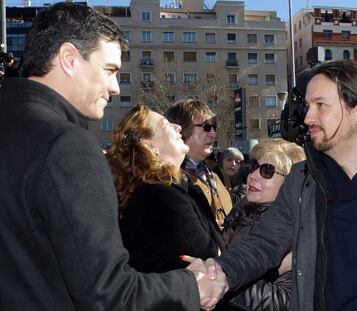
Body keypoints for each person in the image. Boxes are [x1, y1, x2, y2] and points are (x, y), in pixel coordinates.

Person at [0, 3, 227, 310]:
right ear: (69, 58)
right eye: (109, 70)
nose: (116, 88)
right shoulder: (68, 146)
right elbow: (107, 294)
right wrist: (192, 285)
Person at [194, 60, 357, 311]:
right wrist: (221, 272)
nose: (308, 117)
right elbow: (264, 243)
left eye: (321, 105)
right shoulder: (302, 178)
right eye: (309, 106)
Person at [107, 104, 225, 273]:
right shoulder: (161, 197)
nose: (177, 127)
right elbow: (210, 257)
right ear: (150, 148)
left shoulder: (160, 190)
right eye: (166, 125)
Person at [222, 139, 305, 311]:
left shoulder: (296, 230)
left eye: (267, 171)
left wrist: (224, 281)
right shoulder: (240, 210)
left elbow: (284, 302)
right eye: (253, 166)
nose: (252, 175)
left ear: (290, 184)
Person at [165, 99, 233, 225]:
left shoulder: (215, 175)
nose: (213, 133)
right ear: (180, 129)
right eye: (206, 127)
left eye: (214, 127)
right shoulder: (168, 180)